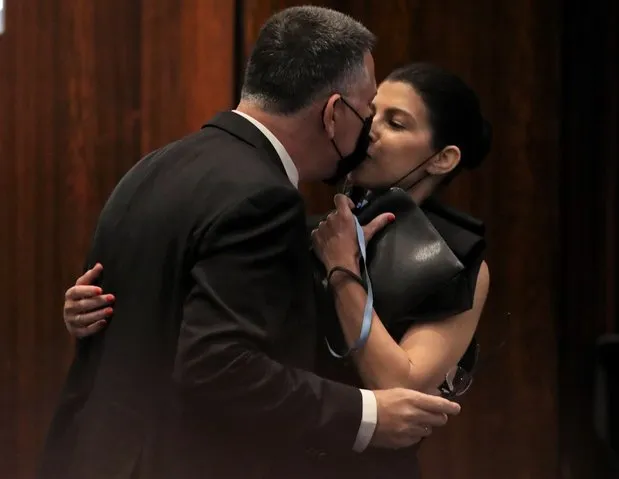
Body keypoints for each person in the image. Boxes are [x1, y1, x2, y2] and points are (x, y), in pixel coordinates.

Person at [38, 7, 462, 479]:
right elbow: (219, 367)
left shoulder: (153, 166)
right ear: (333, 114)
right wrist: (368, 417)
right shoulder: (264, 197)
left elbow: (144, 317)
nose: (370, 133)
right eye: (366, 114)